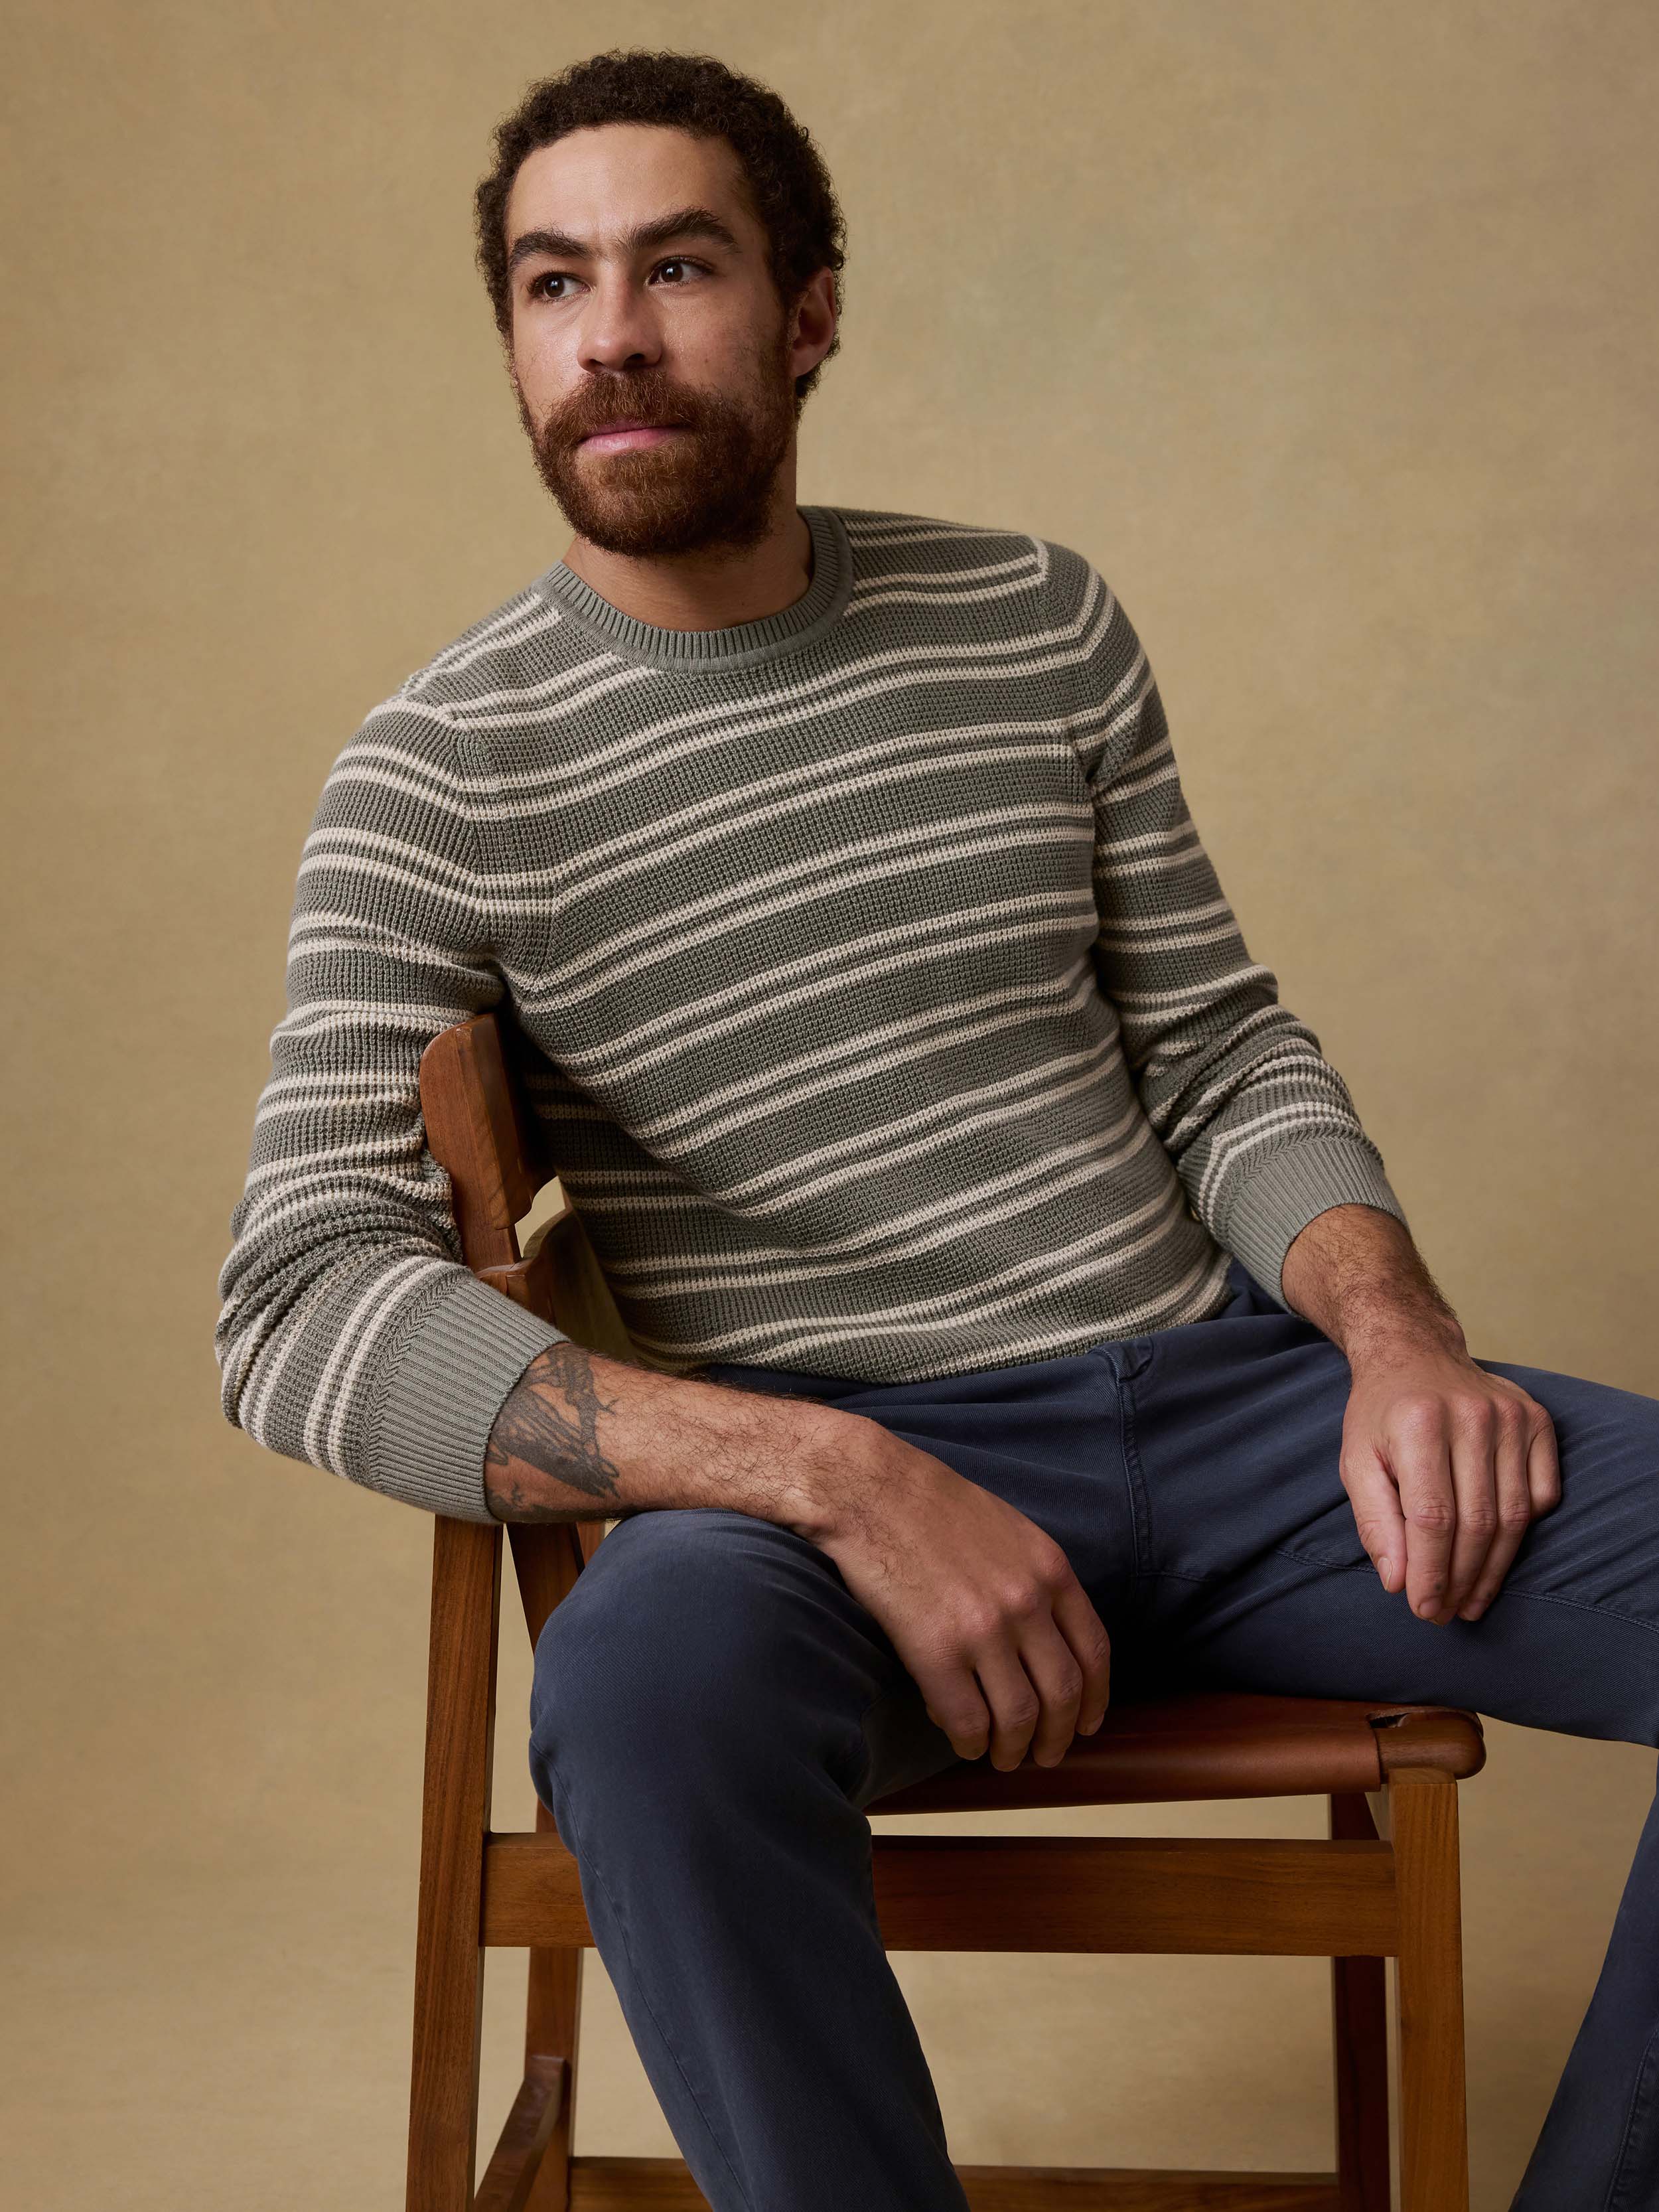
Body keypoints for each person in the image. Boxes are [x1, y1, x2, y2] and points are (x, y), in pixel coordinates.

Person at [214, 48, 1659, 2212]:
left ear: (805, 311)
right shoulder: (435, 774)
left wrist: (1393, 1333)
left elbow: (1214, 1054)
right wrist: (832, 1471)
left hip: (1238, 1423)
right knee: (640, 1691)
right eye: (551, 282)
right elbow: (296, 1304)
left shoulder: (1035, 620)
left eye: (677, 266)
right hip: (827, 1511)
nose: (609, 334)